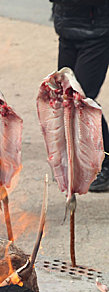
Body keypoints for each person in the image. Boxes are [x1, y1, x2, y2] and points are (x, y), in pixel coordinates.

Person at [50, 0, 109, 192]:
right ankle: (77, 162)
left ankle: (105, 164)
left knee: (83, 99)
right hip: (66, 29)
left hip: (97, 32)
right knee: (65, 98)